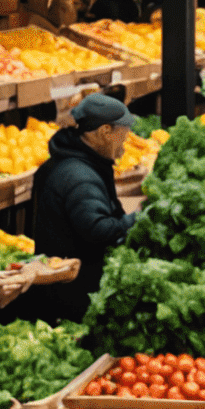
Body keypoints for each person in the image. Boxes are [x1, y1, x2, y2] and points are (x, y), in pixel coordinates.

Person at [32, 93, 140, 321]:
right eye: (124, 132)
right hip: (75, 294)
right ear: (105, 132)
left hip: (64, 284)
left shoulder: (72, 162)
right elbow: (98, 231)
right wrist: (141, 218)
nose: (126, 140)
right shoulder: (80, 177)